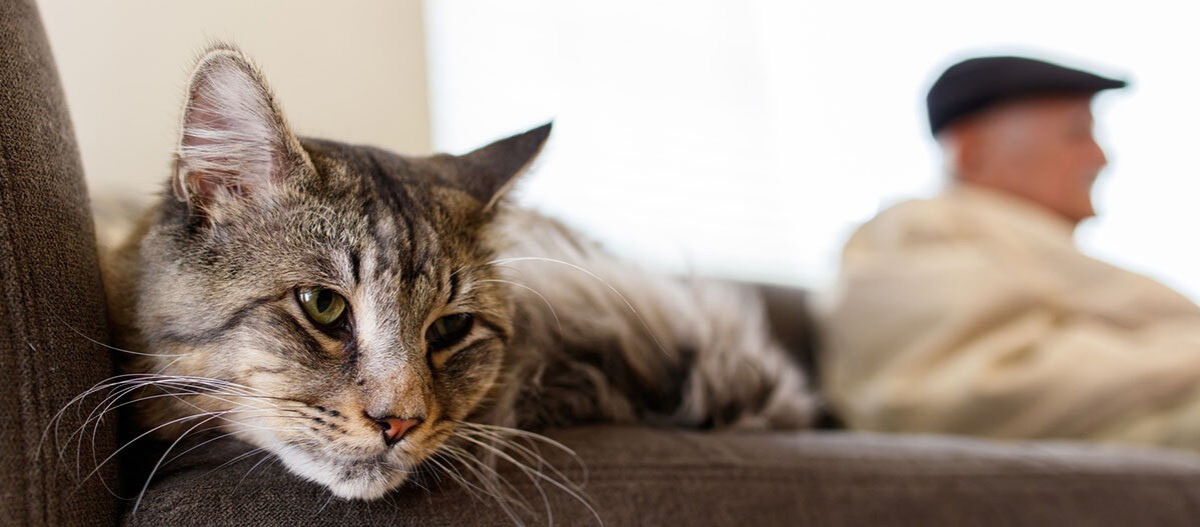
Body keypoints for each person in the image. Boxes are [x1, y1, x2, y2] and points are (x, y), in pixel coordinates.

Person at [819, 55, 1200, 452]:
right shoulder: (919, 228)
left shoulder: (1014, 244)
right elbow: (979, 387)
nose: (1101, 158)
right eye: (1076, 134)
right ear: (972, 153)